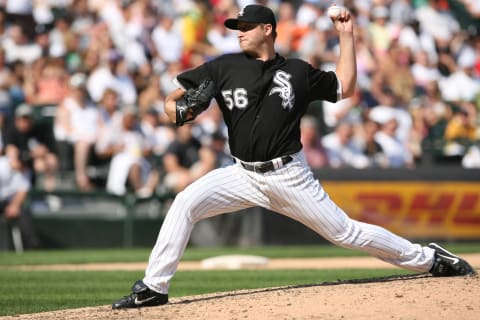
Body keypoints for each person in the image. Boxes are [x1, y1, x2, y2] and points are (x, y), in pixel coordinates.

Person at [112, 4, 476, 309]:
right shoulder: (222, 67)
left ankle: (429, 259)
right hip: (241, 174)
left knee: (345, 233)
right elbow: (169, 99)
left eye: (245, 27)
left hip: (289, 175)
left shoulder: (297, 71)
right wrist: (171, 108)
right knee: (185, 203)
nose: (238, 32)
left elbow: (346, 87)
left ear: (267, 29)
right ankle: (154, 288)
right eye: (236, 27)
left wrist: (346, 36)